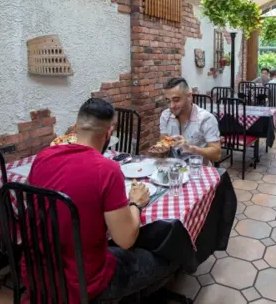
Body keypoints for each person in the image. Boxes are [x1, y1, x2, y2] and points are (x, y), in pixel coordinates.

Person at [26, 98, 177, 302]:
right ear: (109, 133)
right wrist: (136, 203)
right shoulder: (106, 169)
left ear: (75, 127)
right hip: (86, 280)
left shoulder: (42, 157)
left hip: (39, 273)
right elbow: (125, 240)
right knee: (166, 260)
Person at [160, 77, 222, 163]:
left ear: (189, 96)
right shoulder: (165, 115)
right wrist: (161, 149)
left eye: (176, 100)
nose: (171, 106)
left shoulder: (206, 119)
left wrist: (191, 148)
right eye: (168, 101)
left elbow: (217, 155)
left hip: (197, 171)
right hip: (173, 170)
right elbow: (163, 144)